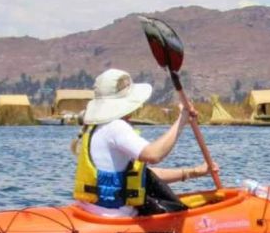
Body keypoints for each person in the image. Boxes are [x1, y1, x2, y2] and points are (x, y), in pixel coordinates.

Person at [70, 68, 217, 217]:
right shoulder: (115, 127)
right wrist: (182, 120)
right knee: (179, 211)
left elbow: (143, 176)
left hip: (91, 212)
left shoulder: (93, 128)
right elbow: (154, 155)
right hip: (115, 217)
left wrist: (192, 172)